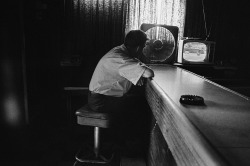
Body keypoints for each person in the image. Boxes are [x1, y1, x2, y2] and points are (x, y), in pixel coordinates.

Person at [87, 30, 154, 114]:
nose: (142, 50)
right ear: (138, 48)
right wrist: (140, 72)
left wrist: (139, 72)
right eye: (143, 47)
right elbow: (149, 73)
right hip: (101, 101)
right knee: (141, 105)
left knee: (138, 100)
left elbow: (136, 64)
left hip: (100, 97)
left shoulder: (119, 50)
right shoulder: (121, 59)